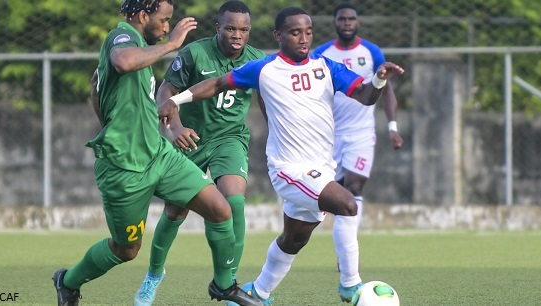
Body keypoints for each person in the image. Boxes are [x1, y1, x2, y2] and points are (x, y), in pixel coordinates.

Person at [157, 6, 404, 305]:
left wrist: (378, 79)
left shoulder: (326, 67)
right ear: (279, 35)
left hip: (321, 169)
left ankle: (255, 293)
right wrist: (175, 100)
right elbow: (217, 84)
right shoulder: (264, 68)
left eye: (308, 32)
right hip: (289, 170)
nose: (303, 38)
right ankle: (351, 286)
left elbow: (365, 96)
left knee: (294, 240)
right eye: (295, 32)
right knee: (349, 204)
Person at [51, 1, 262, 305]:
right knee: (126, 249)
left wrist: (151, 114)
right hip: (125, 167)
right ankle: (68, 281)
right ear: (142, 16)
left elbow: (97, 87)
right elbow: (122, 61)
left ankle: (225, 287)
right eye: (164, 21)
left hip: (160, 155)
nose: (166, 29)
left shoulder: (141, 46)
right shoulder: (122, 37)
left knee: (222, 209)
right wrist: (174, 43)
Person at [133, 1, 266, 306]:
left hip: (229, 139)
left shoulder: (258, 59)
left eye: (243, 30)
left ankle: (228, 285)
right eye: (230, 28)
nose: (237, 35)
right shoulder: (195, 53)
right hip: (191, 140)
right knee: (174, 212)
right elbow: (165, 93)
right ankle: (153, 275)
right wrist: (176, 128)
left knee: (234, 202)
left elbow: (269, 101)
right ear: (218, 27)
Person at [313, 2, 403, 271]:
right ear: (335, 23)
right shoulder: (322, 54)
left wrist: (393, 127)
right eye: (342, 19)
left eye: (352, 19)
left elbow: (384, 89)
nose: (348, 23)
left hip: (362, 134)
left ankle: (347, 258)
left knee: (354, 187)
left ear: (358, 22)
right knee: (336, 195)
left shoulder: (371, 52)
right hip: (330, 136)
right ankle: (344, 250)